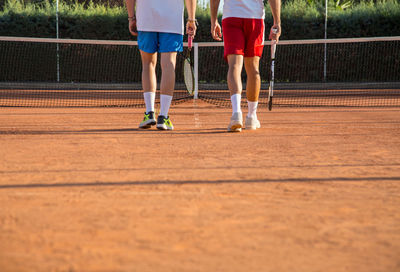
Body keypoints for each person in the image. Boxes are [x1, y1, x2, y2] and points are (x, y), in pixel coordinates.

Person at [210, 0, 281, 132]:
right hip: (255, 18)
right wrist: (277, 22)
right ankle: (251, 117)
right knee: (253, 69)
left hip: (231, 16)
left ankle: (236, 114)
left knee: (234, 66)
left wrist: (213, 20)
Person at [126, 0, 197, 130]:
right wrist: (191, 19)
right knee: (169, 65)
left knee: (148, 64)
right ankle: (163, 117)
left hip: (146, 19)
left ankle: (149, 113)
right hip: (172, 21)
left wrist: (131, 17)